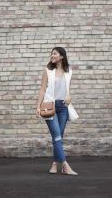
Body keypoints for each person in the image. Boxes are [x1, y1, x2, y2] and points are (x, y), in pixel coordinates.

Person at [36, 47, 78, 175]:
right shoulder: (48, 71)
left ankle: (55, 163)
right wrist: (38, 106)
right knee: (57, 136)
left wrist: (70, 96)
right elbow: (42, 89)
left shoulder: (69, 71)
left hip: (63, 107)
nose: (52, 56)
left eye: (54, 53)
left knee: (58, 137)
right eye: (51, 54)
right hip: (51, 107)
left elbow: (67, 89)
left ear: (61, 56)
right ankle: (65, 165)